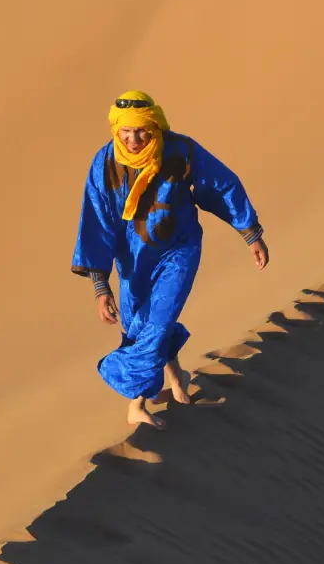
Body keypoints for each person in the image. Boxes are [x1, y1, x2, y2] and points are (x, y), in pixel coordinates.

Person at [71, 90, 269, 429]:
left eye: (142, 131)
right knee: (137, 325)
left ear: (155, 126)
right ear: (115, 130)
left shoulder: (179, 151)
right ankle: (177, 376)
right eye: (126, 132)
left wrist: (249, 231)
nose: (134, 139)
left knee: (159, 321)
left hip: (179, 249)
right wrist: (100, 285)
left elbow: (220, 186)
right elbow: (97, 222)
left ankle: (137, 402)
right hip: (132, 258)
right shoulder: (104, 164)